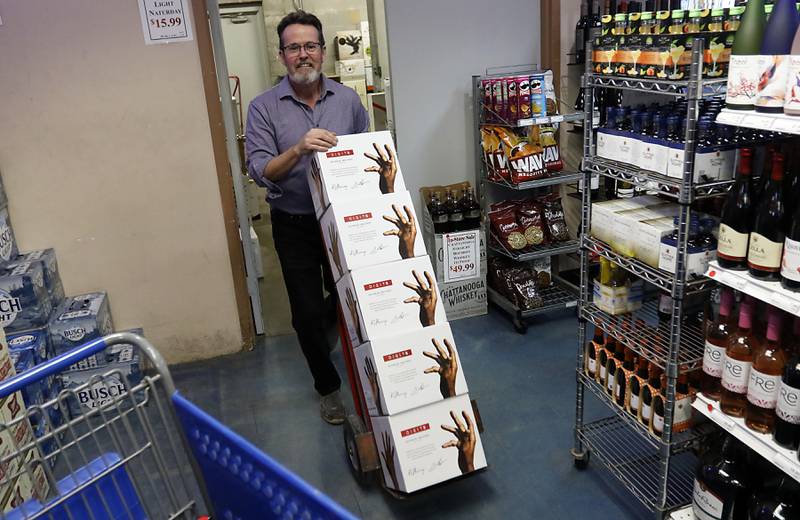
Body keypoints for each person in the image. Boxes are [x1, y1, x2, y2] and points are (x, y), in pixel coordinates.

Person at [245, 10, 369, 425]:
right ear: (282, 55)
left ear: (322, 51)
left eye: (310, 46)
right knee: (304, 312)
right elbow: (261, 171)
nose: (304, 55)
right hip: (294, 222)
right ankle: (328, 387)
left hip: (345, 221)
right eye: (294, 47)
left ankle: (332, 329)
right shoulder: (263, 108)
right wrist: (298, 149)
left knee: (351, 298)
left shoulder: (349, 101)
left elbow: (366, 157)